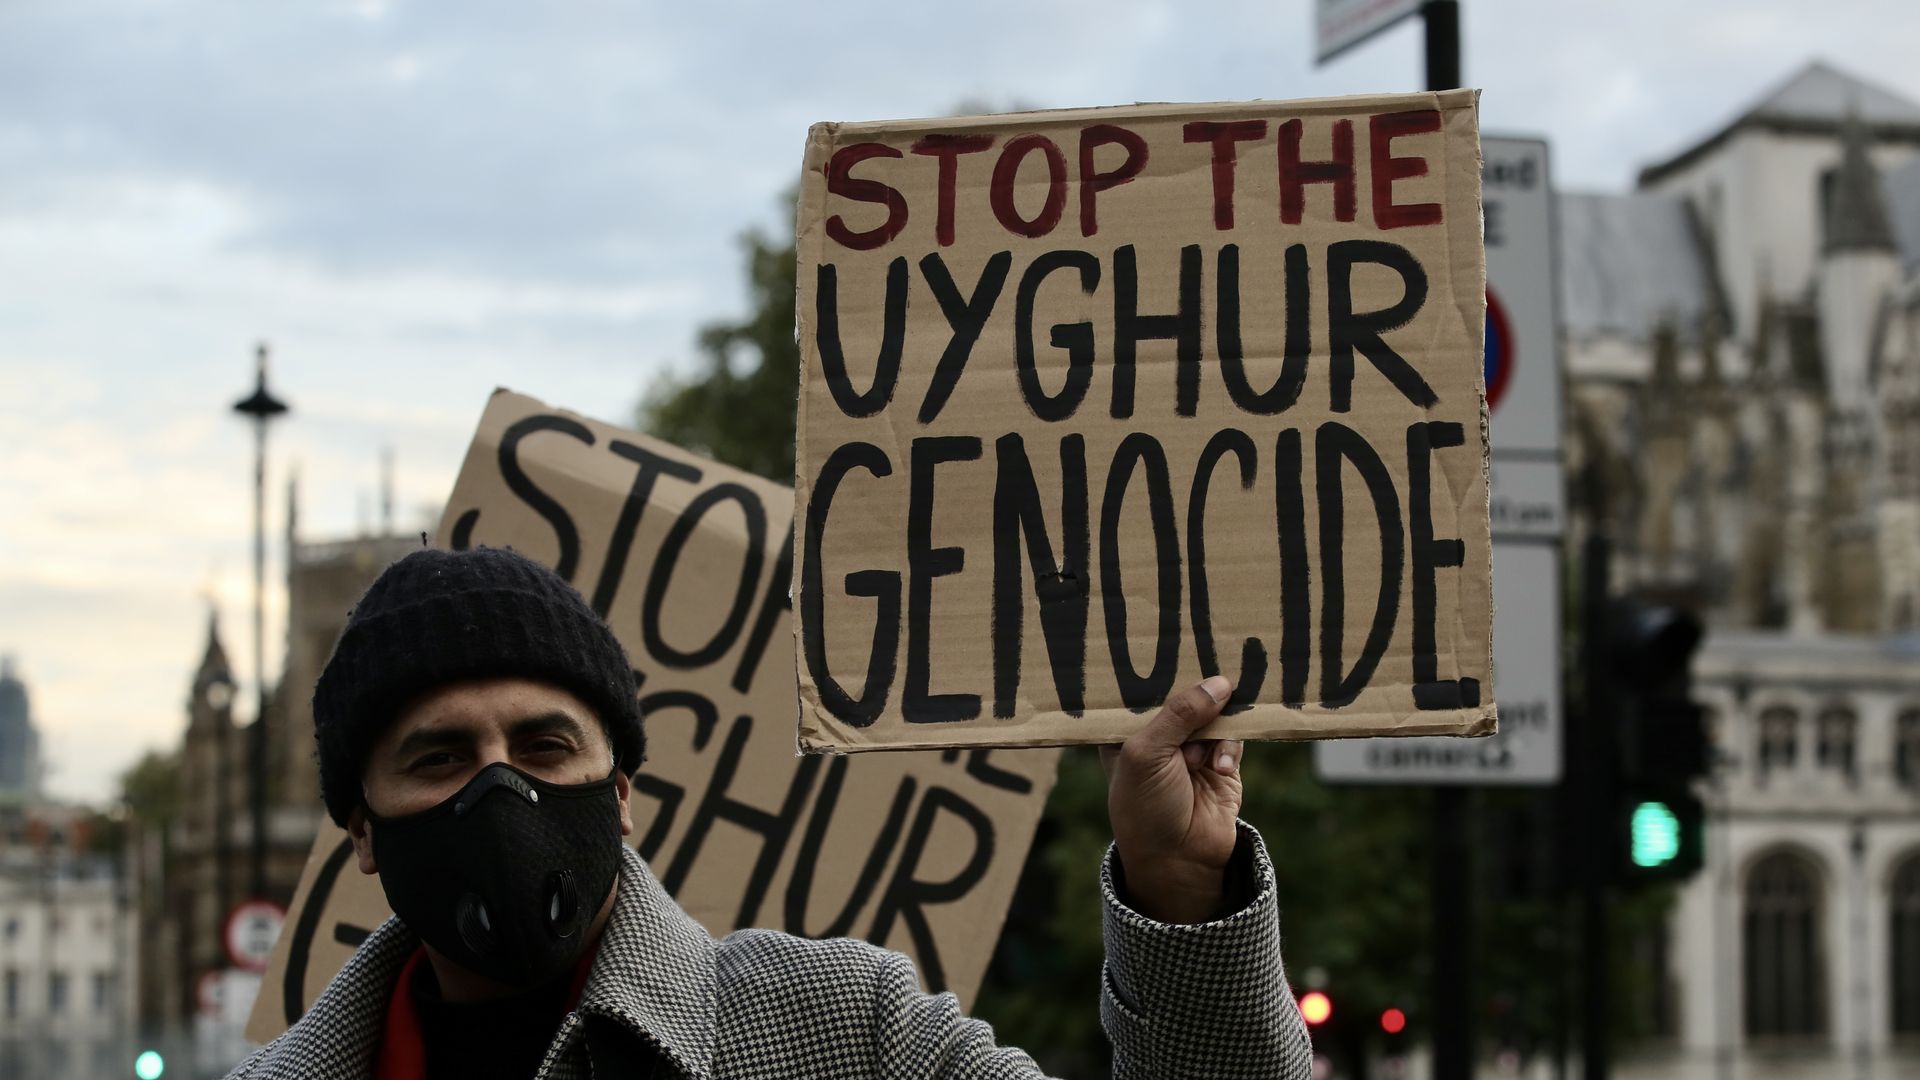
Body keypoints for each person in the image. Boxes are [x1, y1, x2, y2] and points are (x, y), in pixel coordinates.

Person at [229, 546, 1313, 1079]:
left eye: (545, 745)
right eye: (439, 757)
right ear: (362, 829)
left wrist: (1179, 892)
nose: (498, 788)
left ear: (622, 795)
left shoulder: (855, 1032)